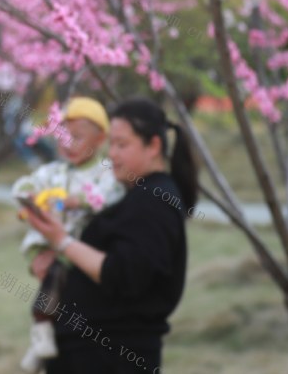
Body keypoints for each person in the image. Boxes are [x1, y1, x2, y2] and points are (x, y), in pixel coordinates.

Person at [23, 97, 199, 373]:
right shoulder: (136, 195)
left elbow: (120, 273)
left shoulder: (153, 201)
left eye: (122, 145)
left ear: (153, 146)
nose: (112, 155)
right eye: (111, 145)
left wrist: (62, 242)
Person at [11, 97, 124, 372]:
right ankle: (42, 335)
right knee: (51, 284)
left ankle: (42, 334)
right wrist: (31, 196)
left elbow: (111, 195)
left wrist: (77, 201)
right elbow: (24, 185)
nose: (67, 144)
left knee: (55, 287)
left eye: (77, 138)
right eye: (62, 136)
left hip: (78, 248)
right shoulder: (54, 171)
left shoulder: (107, 171)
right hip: (47, 245)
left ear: (100, 140)